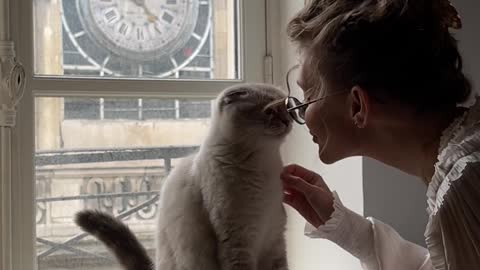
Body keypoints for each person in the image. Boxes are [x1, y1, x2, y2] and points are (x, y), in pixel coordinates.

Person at [280, 0, 480, 269]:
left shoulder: (465, 182)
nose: (301, 115)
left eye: (308, 96)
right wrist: (347, 229)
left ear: (357, 106)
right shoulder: (458, 165)